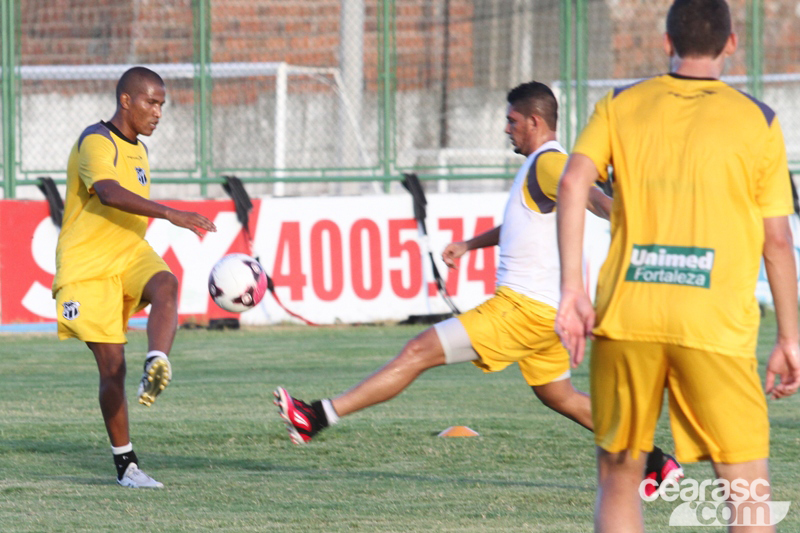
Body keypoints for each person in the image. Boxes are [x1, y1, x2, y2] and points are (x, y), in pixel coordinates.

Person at [274, 81, 682, 489]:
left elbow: (592, 198)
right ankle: (656, 461)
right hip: (544, 314)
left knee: (417, 351)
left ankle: (316, 416)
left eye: (513, 121)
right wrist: (471, 244)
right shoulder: (539, 167)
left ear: (535, 121)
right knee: (560, 397)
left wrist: (635, 222)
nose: (507, 129)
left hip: (520, 311)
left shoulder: (550, 163)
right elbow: (523, 224)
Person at [554, 1, 800, 531]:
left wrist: (572, 288)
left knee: (620, 477)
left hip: (627, 316)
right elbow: (777, 240)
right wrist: (790, 338)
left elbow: (573, 183)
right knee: (746, 490)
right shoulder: (758, 120)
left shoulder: (620, 103)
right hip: (714, 324)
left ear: (666, 42)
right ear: (731, 43)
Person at [52, 66, 217, 489]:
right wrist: (170, 212)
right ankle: (127, 467)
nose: (158, 112)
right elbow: (106, 191)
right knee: (112, 369)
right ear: (126, 100)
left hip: (128, 254)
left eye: (162, 104)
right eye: (151, 102)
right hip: (87, 268)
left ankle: (157, 359)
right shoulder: (96, 140)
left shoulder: (139, 150)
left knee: (167, 285)